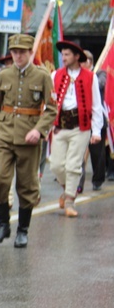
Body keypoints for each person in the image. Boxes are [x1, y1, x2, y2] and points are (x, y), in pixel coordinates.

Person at [0, 33, 57, 247]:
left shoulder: (42, 76)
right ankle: (3, 224)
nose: (17, 56)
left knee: (27, 185)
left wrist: (39, 131)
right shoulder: (3, 76)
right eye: (14, 52)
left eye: (22, 52)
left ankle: (23, 230)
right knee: (0, 179)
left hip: (29, 138)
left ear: (30, 53)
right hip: (4, 135)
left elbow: (51, 109)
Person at [49, 40, 103, 217]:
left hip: (81, 128)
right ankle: (67, 190)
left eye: (67, 54)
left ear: (76, 56)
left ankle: (70, 202)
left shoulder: (90, 77)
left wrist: (96, 132)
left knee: (73, 166)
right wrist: (46, 128)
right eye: (62, 54)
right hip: (60, 126)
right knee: (56, 165)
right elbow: (49, 104)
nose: (63, 58)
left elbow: (96, 106)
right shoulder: (55, 75)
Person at [76, 49, 107, 193]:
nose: (81, 64)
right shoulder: (76, 76)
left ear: (90, 62)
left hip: (98, 119)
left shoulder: (99, 74)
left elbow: (101, 84)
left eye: (83, 61)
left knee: (97, 154)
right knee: (79, 154)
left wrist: (90, 78)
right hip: (81, 120)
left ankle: (97, 180)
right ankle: (78, 184)